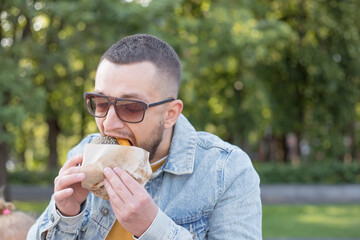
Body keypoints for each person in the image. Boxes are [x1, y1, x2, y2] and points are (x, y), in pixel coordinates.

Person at [27, 34, 262, 239]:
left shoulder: (226, 171)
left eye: (130, 107)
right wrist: (66, 215)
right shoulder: (83, 152)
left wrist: (152, 228)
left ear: (170, 114)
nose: (108, 123)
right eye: (100, 103)